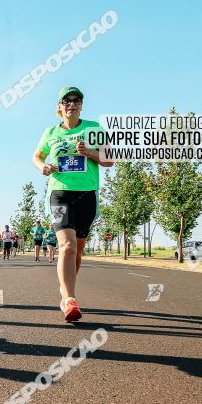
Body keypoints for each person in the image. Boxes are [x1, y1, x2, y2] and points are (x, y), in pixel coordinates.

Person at [32, 87, 114, 322]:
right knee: (67, 247)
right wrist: (43, 167)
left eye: (76, 100)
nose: (71, 104)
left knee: (77, 252)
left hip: (87, 194)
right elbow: (37, 156)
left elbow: (110, 160)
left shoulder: (94, 129)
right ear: (60, 106)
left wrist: (89, 152)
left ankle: (65, 290)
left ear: (81, 105)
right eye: (66, 100)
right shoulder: (50, 132)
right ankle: (69, 300)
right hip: (59, 193)